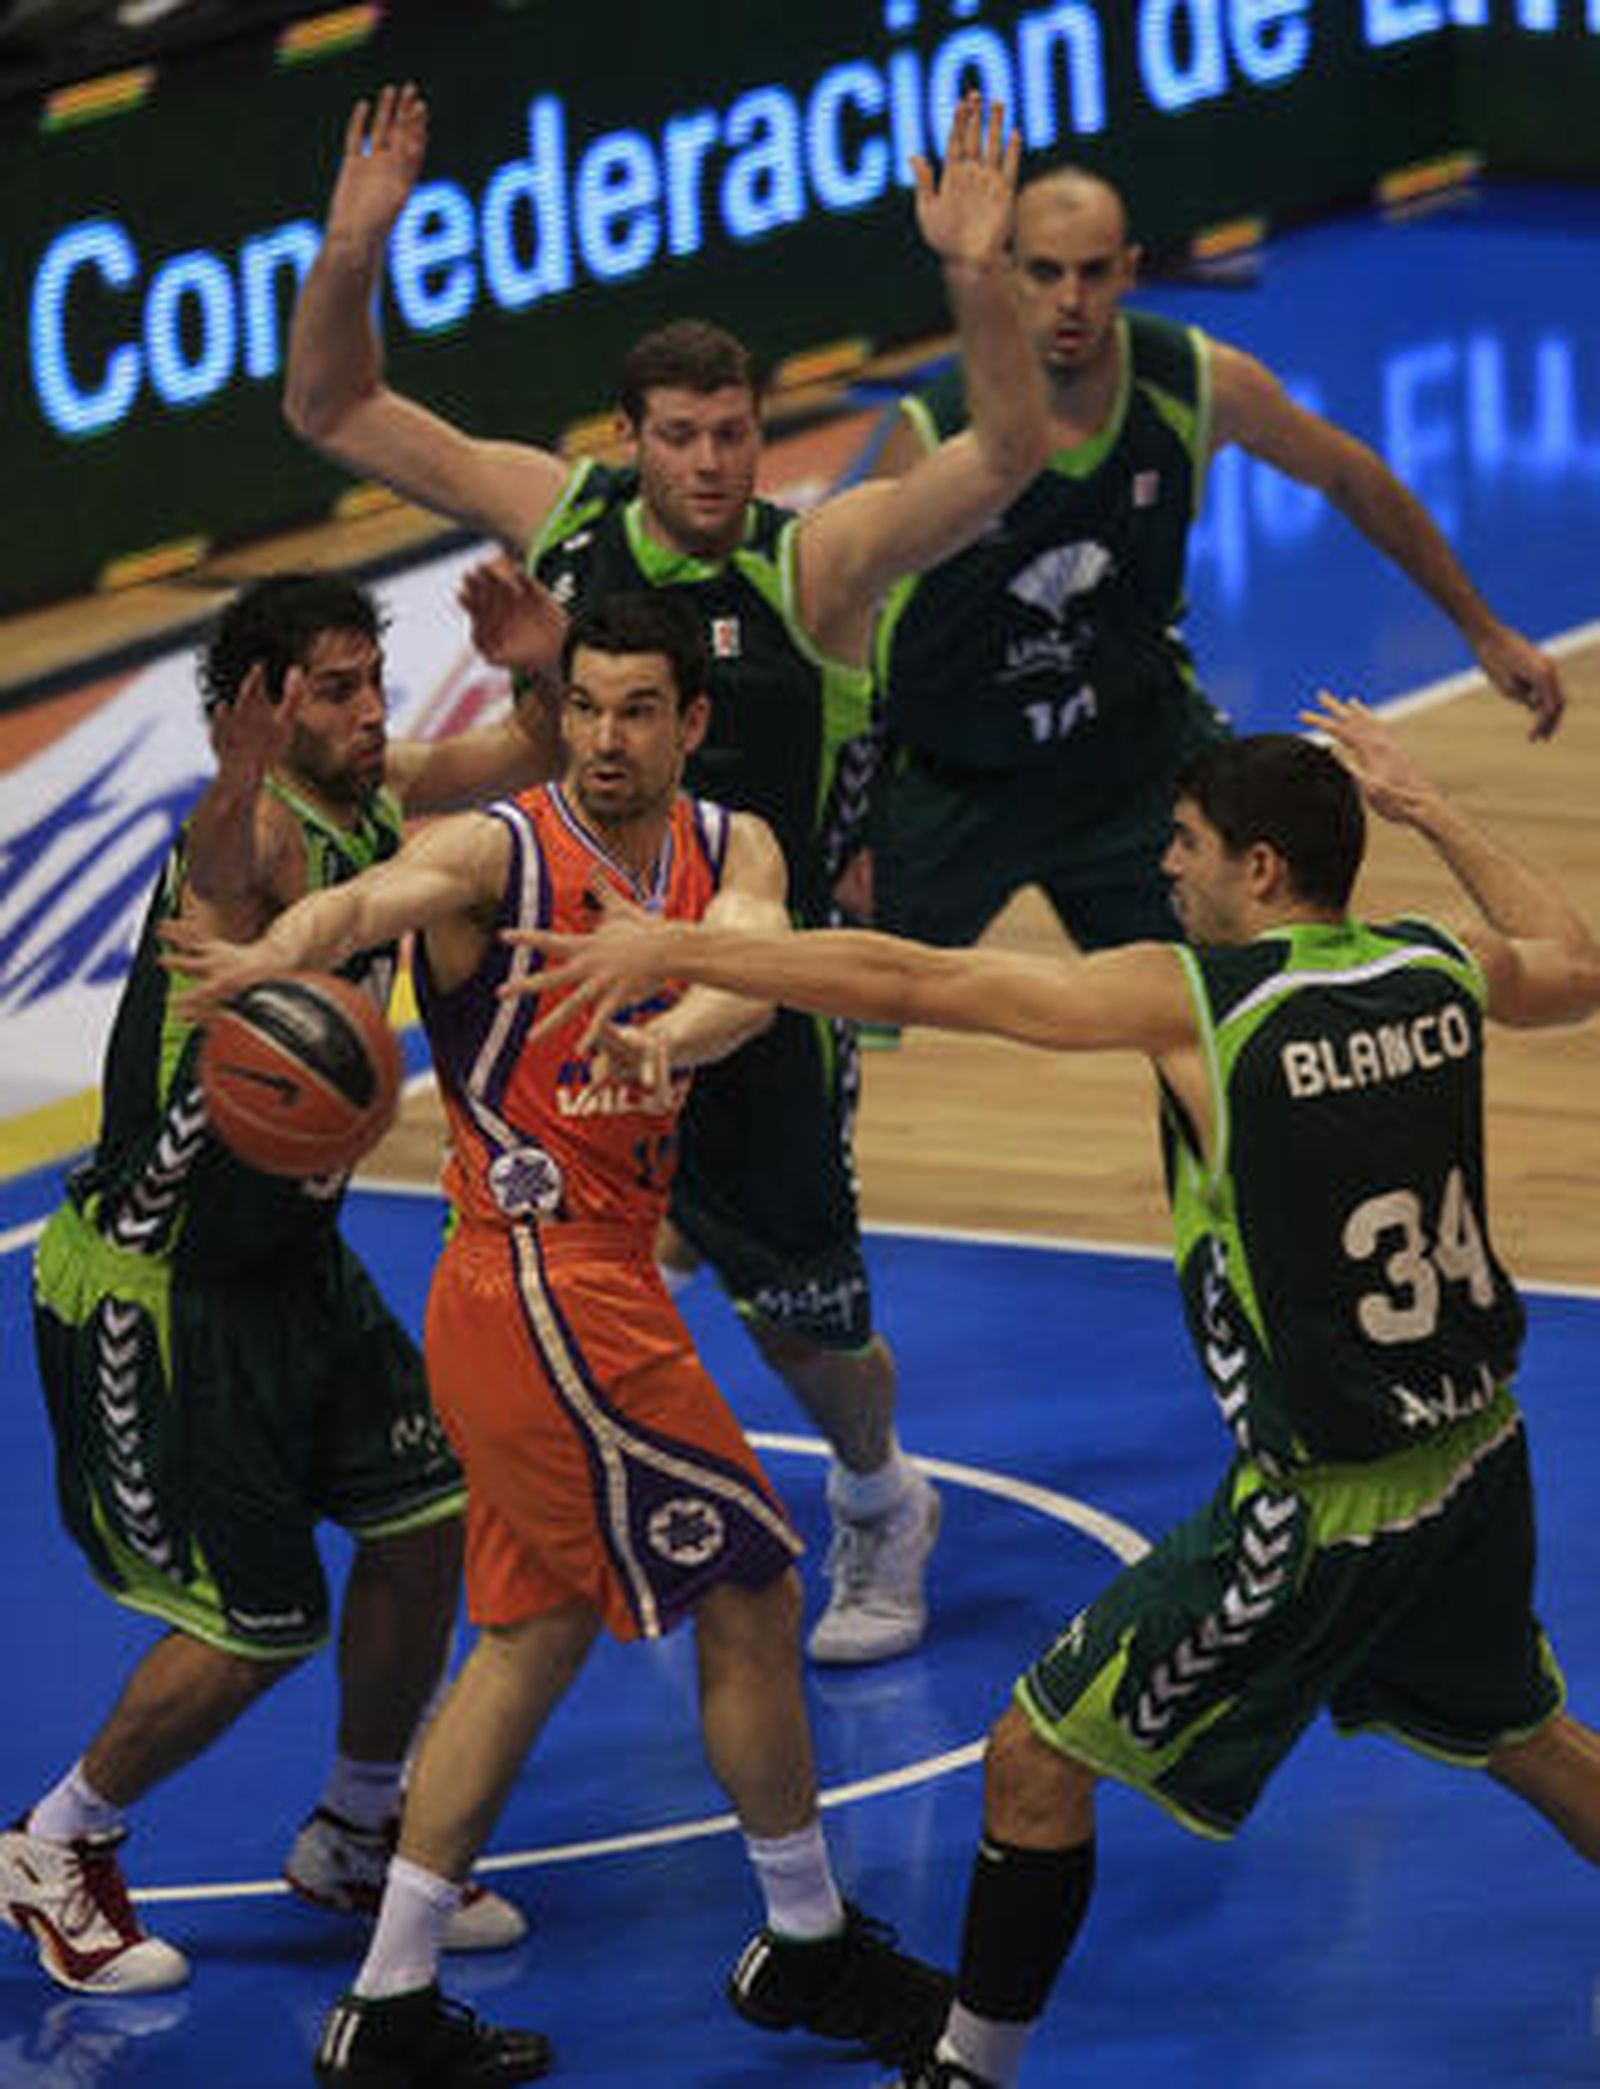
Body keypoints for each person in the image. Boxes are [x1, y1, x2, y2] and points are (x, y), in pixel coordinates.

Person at [504, 692, 1600, 2087]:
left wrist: (682, 945)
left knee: (1031, 1753)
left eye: (1190, 845)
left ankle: (969, 2066)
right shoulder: (1436, 965)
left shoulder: (1197, 998)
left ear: (1260, 870)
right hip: (1474, 1460)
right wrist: (1431, 806)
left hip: (1321, 1507)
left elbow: (916, 980)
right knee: (1523, 1733)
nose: (1167, 867)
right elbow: (1577, 957)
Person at [281, 79, 1051, 1666]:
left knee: (802, 1316)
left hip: (754, 974)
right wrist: (349, 249)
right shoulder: (556, 515)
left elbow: (999, 461)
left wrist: (975, 273)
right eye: (684, 437)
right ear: (627, 442)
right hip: (558, 973)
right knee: (546, 1244)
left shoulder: (811, 563)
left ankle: (881, 1493)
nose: (716, 461)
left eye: (738, 431)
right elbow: (335, 411)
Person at [165, 591, 954, 2087]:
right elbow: (368, 905)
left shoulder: (736, 848)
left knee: (528, 1636)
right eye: (583, 706)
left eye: (637, 710)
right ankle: (805, 1938)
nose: (604, 737)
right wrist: (286, 951)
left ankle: (388, 2002)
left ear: (690, 723)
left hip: (582, 1290)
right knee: (754, 1588)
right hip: (534, 1282)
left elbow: (755, 964)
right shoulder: (499, 850)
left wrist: (673, 1028)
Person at [4, 570, 556, 1998]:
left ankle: (358, 1827)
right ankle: (56, 1841)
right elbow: (224, 859)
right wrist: (231, 776)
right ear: (255, 708)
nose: (372, 714)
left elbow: (518, 755)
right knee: (255, 1625)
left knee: (428, 1518)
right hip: (165, 1293)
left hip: (294, 1266)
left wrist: (538, 668)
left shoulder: (370, 791)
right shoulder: (250, 833)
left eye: (374, 683)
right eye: (332, 690)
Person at [865, 163, 1567, 960]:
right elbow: (839, 623)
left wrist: (1482, 628)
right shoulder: (931, 432)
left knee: (1237, 984)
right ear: (1004, 274)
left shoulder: (1193, 383)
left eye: (1094, 272)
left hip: (1127, 756)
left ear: (1129, 270)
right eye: (1045, 272)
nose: (1071, 298)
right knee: (828, 1013)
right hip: (949, 778)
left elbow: (1347, 473)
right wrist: (845, 813)